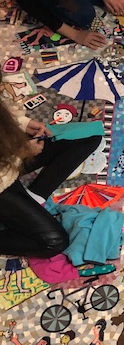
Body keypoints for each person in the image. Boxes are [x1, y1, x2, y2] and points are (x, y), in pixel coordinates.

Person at [0, 95, 101, 258]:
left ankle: (35, 196)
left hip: (8, 156)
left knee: (90, 134)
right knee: (54, 242)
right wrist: (20, 154)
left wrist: (23, 123)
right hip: (3, 179)